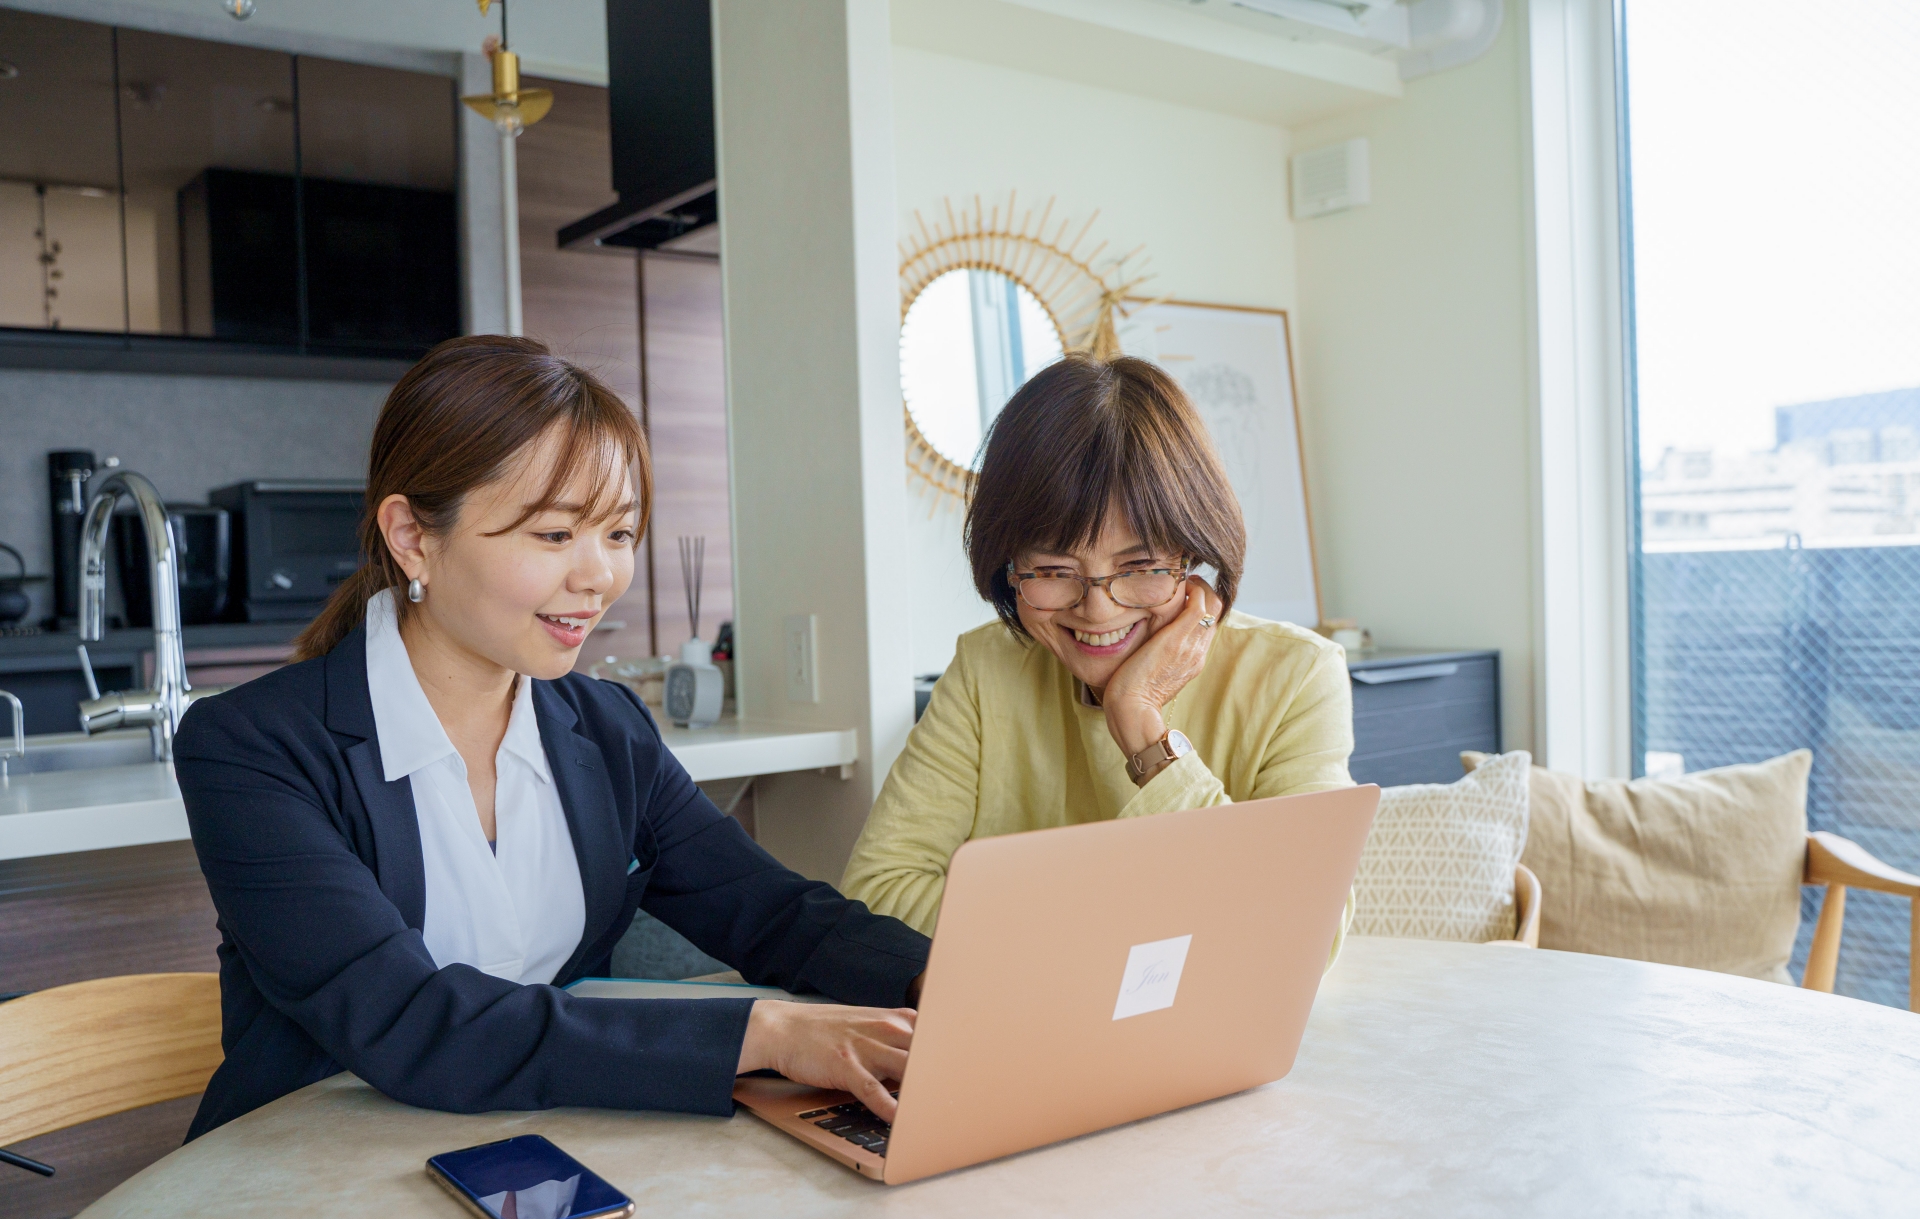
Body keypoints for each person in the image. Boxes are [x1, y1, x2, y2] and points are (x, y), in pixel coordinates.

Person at [175, 336, 927, 1140]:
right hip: (300, 1178)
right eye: (555, 535)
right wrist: (761, 1033)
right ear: (412, 536)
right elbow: (412, 1020)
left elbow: (775, 917)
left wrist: (957, 982)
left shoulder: (606, 728)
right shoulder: (251, 748)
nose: (598, 575)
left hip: (528, 1148)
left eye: (618, 534)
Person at [841, 354, 1355, 938]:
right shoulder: (987, 669)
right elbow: (877, 894)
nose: (1098, 608)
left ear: (1193, 555)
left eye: (1140, 566)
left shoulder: (1296, 675)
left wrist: (1141, 724)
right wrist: (1115, 935)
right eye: (1055, 569)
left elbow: (1301, 926)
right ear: (1008, 568)